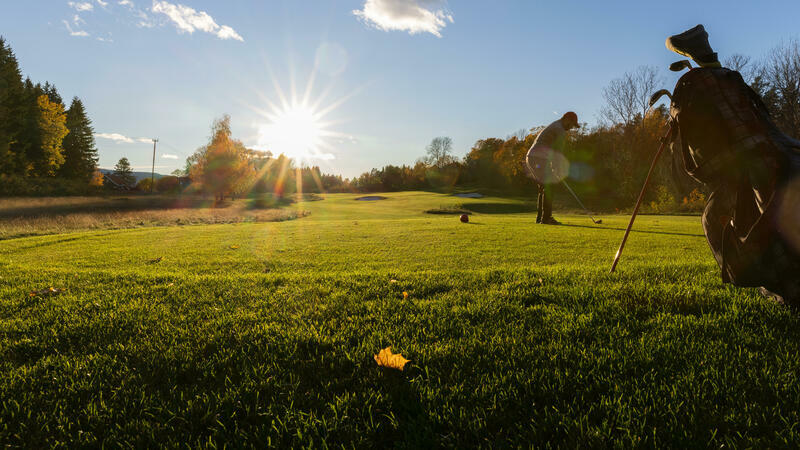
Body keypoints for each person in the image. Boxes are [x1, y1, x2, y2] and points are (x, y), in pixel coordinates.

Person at [665, 24, 800, 306]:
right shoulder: (733, 78)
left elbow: (694, 134)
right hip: (783, 151)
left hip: (756, 161)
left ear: (690, 54)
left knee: (718, 218)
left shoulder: (692, 83)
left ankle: (781, 287)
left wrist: (672, 121)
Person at [526, 111, 580, 224]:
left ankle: (540, 218)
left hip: (531, 157)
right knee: (550, 185)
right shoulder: (559, 130)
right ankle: (546, 218)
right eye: (571, 124)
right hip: (538, 158)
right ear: (566, 119)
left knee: (544, 187)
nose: (571, 128)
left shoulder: (555, 125)